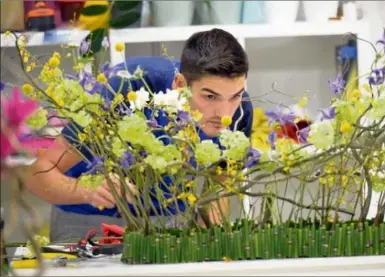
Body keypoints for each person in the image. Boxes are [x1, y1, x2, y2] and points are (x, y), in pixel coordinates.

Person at [25, 28, 253, 242]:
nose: (225, 114)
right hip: (89, 220)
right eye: (210, 97)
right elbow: (37, 175)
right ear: (180, 84)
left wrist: (206, 242)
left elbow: (219, 190)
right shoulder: (129, 87)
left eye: (235, 96)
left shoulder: (241, 110)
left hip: (169, 222)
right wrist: (86, 190)